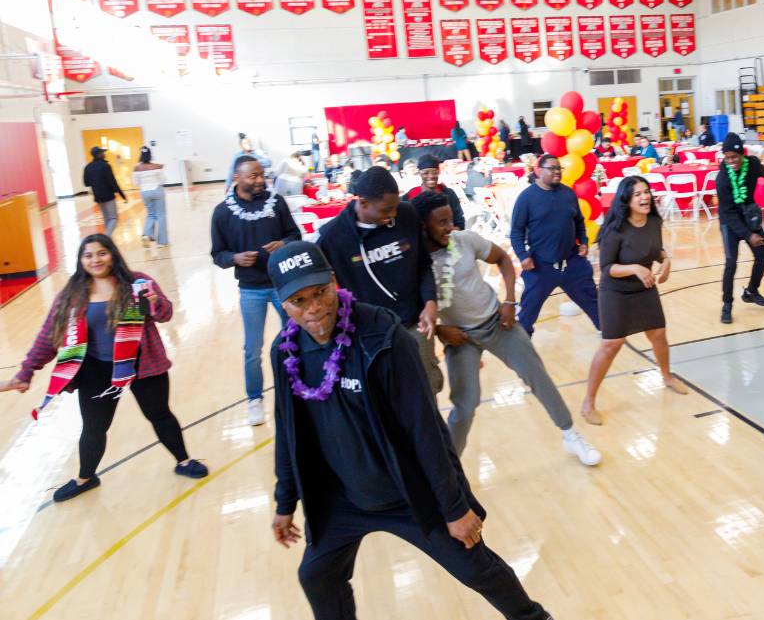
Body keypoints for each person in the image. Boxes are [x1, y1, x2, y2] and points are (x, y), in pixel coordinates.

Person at [264, 242, 553, 620]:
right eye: (299, 301)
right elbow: (289, 431)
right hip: (342, 498)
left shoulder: (382, 337)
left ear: (334, 281)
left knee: (474, 566)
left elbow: (425, 428)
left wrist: (454, 508)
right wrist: (285, 503)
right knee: (316, 575)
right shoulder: (285, 352)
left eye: (320, 292)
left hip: (408, 493)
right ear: (282, 303)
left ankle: (533, 617)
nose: (314, 307)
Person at [1, 235, 207, 502]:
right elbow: (50, 334)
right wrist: (26, 371)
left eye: (102, 253)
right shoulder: (73, 294)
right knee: (94, 427)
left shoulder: (136, 282)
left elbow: (163, 314)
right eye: (88, 255)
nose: (95, 260)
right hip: (96, 371)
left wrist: (154, 300)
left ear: (112, 254)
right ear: (81, 260)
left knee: (160, 415)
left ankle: (183, 461)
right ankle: (86, 477)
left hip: (141, 364)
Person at [412, 191, 601, 465]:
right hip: (460, 337)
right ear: (422, 226)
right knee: (465, 407)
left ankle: (571, 435)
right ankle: (450, 469)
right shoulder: (417, 263)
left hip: (497, 322)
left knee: (538, 377)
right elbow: (417, 310)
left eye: (450, 219)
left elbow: (502, 259)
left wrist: (510, 300)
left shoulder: (465, 241)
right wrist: (441, 331)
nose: (449, 227)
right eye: (441, 222)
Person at [315, 166, 442, 393]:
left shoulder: (407, 214)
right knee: (383, 399)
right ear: (362, 203)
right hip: (370, 336)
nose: (393, 214)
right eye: (387, 209)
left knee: (426, 393)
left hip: (415, 326)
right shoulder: (332, 237)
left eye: (395, 207)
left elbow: (423, 264)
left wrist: (431, 301)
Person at [582, 176, 687, 425]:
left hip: (644, 287)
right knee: (612, 344)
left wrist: (667, 261)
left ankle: (667, 377)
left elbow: (655, 251)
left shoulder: (653, 222)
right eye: (638, 194)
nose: (645, 197)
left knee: (659, 334)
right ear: (626, 200)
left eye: (646, 192)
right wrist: (635, 269)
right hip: (615, 291)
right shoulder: (614, 230)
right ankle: (588, 403)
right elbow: (606, 268)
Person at [211, 155, 301, 425]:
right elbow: (217, 254)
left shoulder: (277, 202)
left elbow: (295, 235)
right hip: (251, 290)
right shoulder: (223, 212)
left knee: (294, 338)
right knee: (252, 349)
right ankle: (255, 399)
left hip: (282, 285)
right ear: (238, 178)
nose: (260, 180)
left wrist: (284, 243)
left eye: (262, 175)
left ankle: (297, 389)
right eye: (253, 176)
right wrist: (234, 259)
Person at [509, 154, 601, 335]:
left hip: (572, 263)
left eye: (559, 168)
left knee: (594, 303)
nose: (557, 172)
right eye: (552, 168)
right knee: (527, 314)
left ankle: (607, 332)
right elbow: (516, 232)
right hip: (540, 266)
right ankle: (522, 344)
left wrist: (583, 241)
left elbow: (579, 221)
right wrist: (523, 256)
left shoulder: (568, 193)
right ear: (539, 171)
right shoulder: (526, 198)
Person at [716, 133, 764, 325]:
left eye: (734, 156)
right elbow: (728, 213)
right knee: (731, 263)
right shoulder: (722, 179)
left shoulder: (752, 163)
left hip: (749, 214)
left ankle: (751, 291)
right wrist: (748, 235)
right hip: (729, 221)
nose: (731, 161)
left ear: (741, 154)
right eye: (727, 158)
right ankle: (727, 304)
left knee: (763, 256)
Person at [405, 154, 465, 230]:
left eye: (434, 172)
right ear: (420, 173)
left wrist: (446, 232)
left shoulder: (449, 194)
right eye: (426, 173)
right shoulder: (410, 196)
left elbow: (460, 223)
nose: (431, 176)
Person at [83, 146, 127, 236]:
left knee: (106, 218)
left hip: (98, 197)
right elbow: (113, 182)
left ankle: (108, 241)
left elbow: (86, 183)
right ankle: (106, 237)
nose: (104, 154)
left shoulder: (87, 167)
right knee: (114, 218)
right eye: (102, 153)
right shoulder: (105, 166)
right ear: (99, 155)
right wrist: (122, 194)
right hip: (108, 196)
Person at [133, 145, 168, 247]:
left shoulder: (136, 168)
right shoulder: (157, 166)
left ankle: (146, 234)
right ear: (150, 155)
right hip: (157, 190)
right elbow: (163, 180)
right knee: (161, 215)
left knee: (151, 214)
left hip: (144, 192)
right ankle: (161, 242)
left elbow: (135, 183)